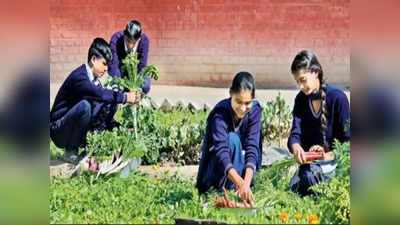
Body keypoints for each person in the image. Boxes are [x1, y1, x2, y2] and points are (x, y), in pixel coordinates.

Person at [50, 38, 139, 163]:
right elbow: (100, 94)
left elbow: (103, 106)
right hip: (58, 130)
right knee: (86, 106)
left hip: (69, 127)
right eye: (104, 63)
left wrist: (122, 129)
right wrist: (125, 97)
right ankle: (71, 151)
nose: (107, 68)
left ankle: (90, 147)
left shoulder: (95, 81)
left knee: (107, 104)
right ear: (93, 59)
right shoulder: (80, 78)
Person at [287, 50, 350, 196]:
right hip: (312, 166)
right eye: (298, 82)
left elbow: (349, 142)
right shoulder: (301, 100)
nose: (301, 86)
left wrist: (326, 156)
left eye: (303, 80)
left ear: (315, 72)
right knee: (301, 182)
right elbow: (294, 135)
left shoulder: (337, 98)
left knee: (309, 180)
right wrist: (296, 148)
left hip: (337, 164)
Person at [196, 71, 262, 206]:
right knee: (232, 139)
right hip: (216, 175)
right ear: (231, 93)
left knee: (250, 149)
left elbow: (252, 147)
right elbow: (221, 152)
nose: (243, 108)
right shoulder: (220, 114)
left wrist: (246, 184)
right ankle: (223, 193)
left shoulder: (255, 111)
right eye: (238, 101)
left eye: (248, 102)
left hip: (240, 175)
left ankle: (240, 193)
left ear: (253, 99)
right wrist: (240, 183)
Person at [108, 19, 150, 94]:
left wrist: (136, 87)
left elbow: (142, 65)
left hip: (136, 73)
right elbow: (113, 64)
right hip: (120, 72)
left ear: (139, 39)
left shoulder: (144, 41)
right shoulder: (115, 39)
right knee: (111, 88)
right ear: (124, 35)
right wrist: (117, 85)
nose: (130, 45)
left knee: (146, 85)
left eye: (133, 42)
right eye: (127, 41)